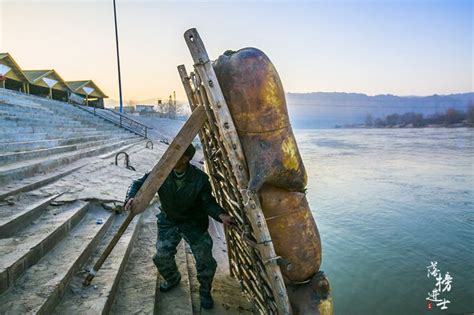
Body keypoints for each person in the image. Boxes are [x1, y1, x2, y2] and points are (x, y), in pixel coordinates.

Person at [124, 144, 235, 309]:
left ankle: (205, 291)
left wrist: (221, 215)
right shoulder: (161, 171)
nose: (171, 158)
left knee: (206, 261)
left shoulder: (200, 179)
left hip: (193, 223)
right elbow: (138, 183)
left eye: (177, 155)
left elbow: (207, 202)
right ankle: (172, 278)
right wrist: (130, 197)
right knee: (161, 256)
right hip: (169, 221)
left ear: (186, 159)